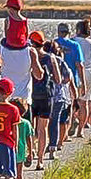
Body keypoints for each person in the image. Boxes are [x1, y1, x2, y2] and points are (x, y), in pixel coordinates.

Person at [28, 31, 62, 171]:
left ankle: (31, 151)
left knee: (30, 128)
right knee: (43, 129)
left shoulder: (28, 56)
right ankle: (40, 161)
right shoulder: (50, 58)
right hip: (46, 96)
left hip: (30, 96)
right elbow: (59, 80)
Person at [46, 41, 77, 157]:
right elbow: (68, 77)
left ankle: (40, 146)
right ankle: (54, 146)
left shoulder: (42, 59)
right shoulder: (59, 61)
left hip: (44, 95)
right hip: (59, 95)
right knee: (56, 121)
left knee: (43, 122)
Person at [10, 99, 33, 179]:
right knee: (19, 173)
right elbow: (29, 139)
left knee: (9, 174)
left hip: (11, 148)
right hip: (21, 150)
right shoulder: (26, 123)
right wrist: (30, 152)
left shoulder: (10, 122)